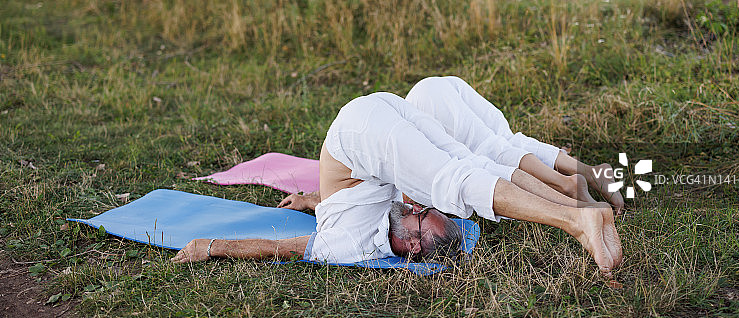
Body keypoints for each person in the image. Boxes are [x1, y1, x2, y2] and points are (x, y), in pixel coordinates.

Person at [172, 76, 624, 273]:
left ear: (409, 244)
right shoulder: (379, 227)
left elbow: (282, 248)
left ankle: (574, 218)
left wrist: (211, 247)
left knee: (454, 181)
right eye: (423, 215)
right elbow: (350, 200)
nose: (417, 207)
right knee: (472, 168)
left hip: (361, 131)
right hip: (376, 121)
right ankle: (574, 207)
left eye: (422, 216)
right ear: (411, 246)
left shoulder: (340, 248)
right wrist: (313, 201)